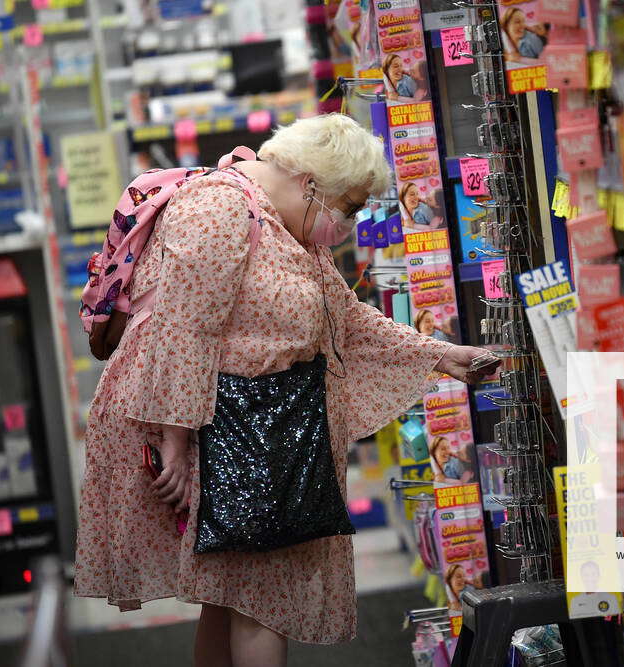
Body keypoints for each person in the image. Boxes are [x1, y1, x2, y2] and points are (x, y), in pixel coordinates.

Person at [73, 113, 497, 667]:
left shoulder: (289, 228)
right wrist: (173, 439)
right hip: (219, 429)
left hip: (261, 429)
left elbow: (345, 319)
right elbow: (183, 327)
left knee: (231, 597)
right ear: (312, 182)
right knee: (262, 600)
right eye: (349, 207)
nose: (348, 222)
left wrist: (446, 357)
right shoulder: (218, 208)